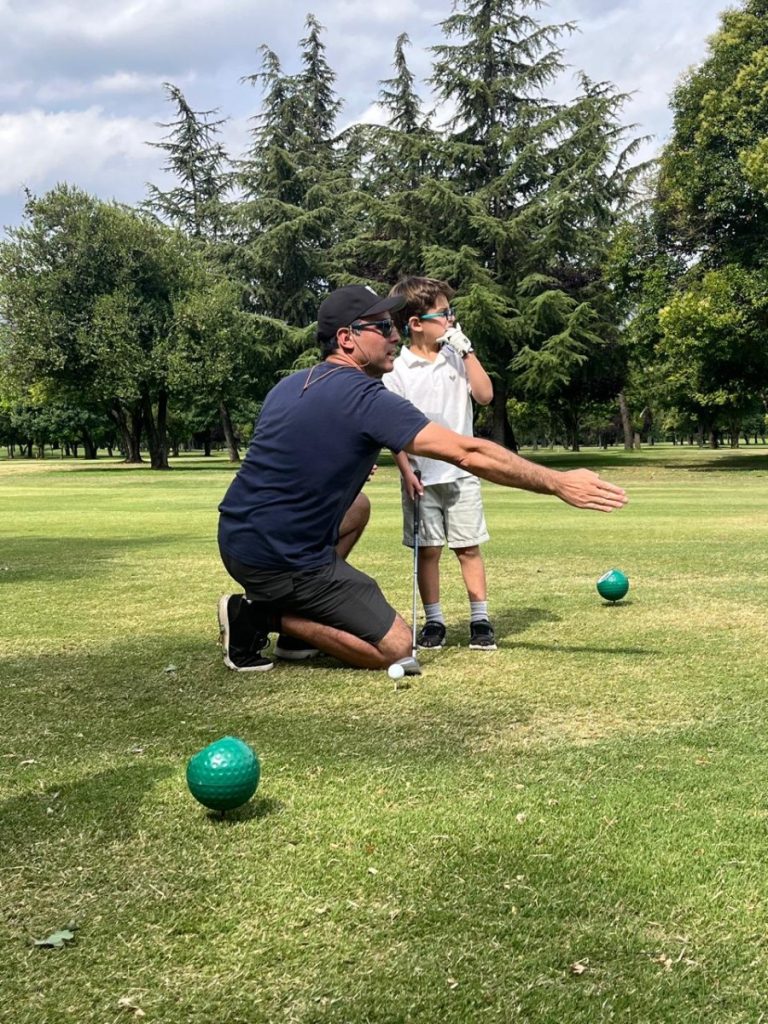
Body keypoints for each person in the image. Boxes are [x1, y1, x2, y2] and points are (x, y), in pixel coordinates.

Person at [216, 284, 628, 673]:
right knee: (397, 648)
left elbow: (289, 457)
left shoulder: (291, 385)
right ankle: (258, 615)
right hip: (282, 558)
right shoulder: (365, 397)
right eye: (382, 327)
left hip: (237, 539)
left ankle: (295, 628)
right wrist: (557, 482)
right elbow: (468, 452)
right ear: (346, 339)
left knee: (358, 507)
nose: (394, 336)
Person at [383, 275, 496, 651]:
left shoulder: (455, 357)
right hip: (421, 476)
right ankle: (434, 621)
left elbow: (485, 395)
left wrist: (467, 352)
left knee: (468, 547)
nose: (451, 319)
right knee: (428, 550)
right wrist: (405, 471)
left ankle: (480, 618)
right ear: (416, 323)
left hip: (462, 472)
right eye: (443, 314)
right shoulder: (398, 370)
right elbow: (393, 430)